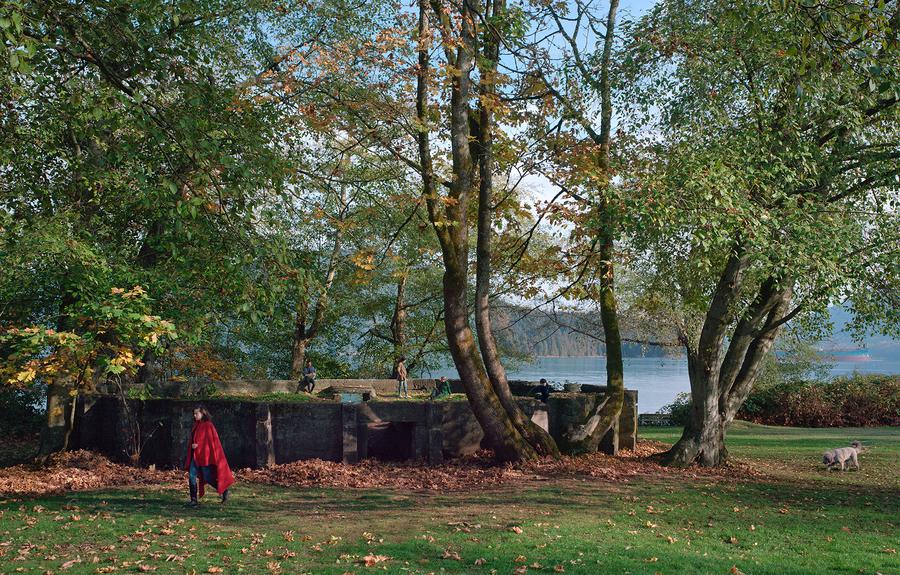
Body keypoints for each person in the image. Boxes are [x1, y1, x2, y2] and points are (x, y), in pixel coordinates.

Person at [184, 405, 234, 507]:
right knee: (192, 475)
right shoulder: (196, 425)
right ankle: (193, 500)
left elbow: (210, 442)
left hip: (205, 456)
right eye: (194, 414)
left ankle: (224, 490)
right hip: (196, 456)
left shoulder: (208, 425)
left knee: (208, 478)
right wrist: (194, 446)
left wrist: (198, 445)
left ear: (203, 413)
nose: (194, 416)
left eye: (196, 413)